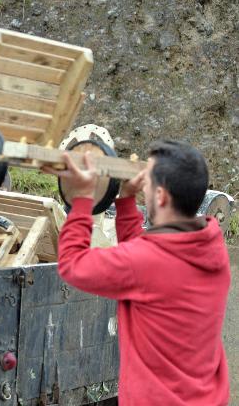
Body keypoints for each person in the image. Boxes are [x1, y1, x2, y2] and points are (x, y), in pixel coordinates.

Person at [43, 140, 230, 405]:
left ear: (161, 196)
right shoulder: (212, 248)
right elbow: (143, 261)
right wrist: (126, 200)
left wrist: (82, 198)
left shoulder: (146, 263)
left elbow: (73, 265)